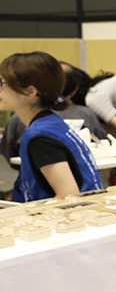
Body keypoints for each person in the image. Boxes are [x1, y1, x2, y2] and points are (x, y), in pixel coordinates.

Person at [0, 52, 102, 201]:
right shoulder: (51, 124)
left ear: (30, 91)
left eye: (2, 83)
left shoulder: (40, 136)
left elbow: (68, 196)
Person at [0, 62, 105, 161]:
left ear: (32, 90)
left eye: (4, 83)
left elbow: (7, 153)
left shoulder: (41, 130)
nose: (1, 90)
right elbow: (103, 144)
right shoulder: (84, 113)